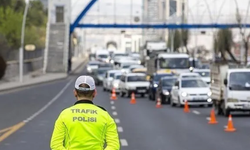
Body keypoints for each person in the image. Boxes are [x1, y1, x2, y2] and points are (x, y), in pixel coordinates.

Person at [50, 76, 120, 150]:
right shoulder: (105, 115)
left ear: (75, 92)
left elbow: (55, 145)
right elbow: (114, 146)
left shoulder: (64, 115)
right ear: (94, 93)